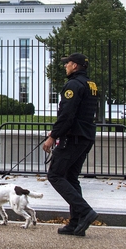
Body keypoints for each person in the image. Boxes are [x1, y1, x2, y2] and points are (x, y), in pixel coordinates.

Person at [42, 52, 99, 236]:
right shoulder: (91, 85)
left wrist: (53, 136)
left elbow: (67, 115)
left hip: (73, 138)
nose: (65, 66)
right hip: (85, 136)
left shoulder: (73, 85)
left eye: (68, 63)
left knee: (55, 175)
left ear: (75, 66)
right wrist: (56, 131)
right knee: (71, 177)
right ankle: (75, 223)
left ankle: (85, 211)